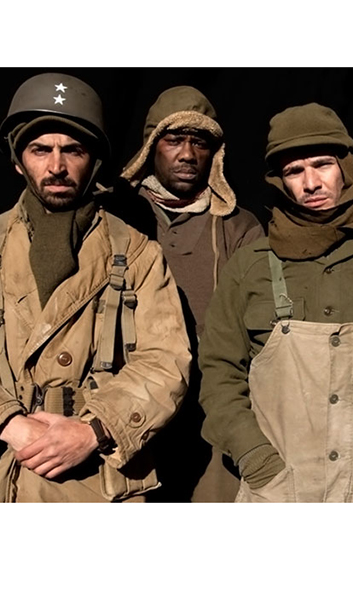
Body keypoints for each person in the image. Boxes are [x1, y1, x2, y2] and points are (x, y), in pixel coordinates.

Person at [198, 102, 353, 502]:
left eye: (322, 165)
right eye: (294, 171)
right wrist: (257, 462)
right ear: (280, 181)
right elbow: (219, 374)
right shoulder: (249, 267)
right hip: (274, 495)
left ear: (345, 167)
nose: (311, 183)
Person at [0, 73, 190, 502]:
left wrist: (94, 429)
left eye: (72, 150)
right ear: (18, 161)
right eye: (41, 149)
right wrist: (5, 421)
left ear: (94, 160)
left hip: (94, 479)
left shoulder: (137, 252)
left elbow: (167, 360)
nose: (56, 166)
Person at [119, 86, 264, 502]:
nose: (187, 154)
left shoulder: (240, 228)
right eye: (174, 140)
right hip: (128, 408)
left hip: (209, 415)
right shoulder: (116, 217)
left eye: (199, 142)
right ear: (151, 147)